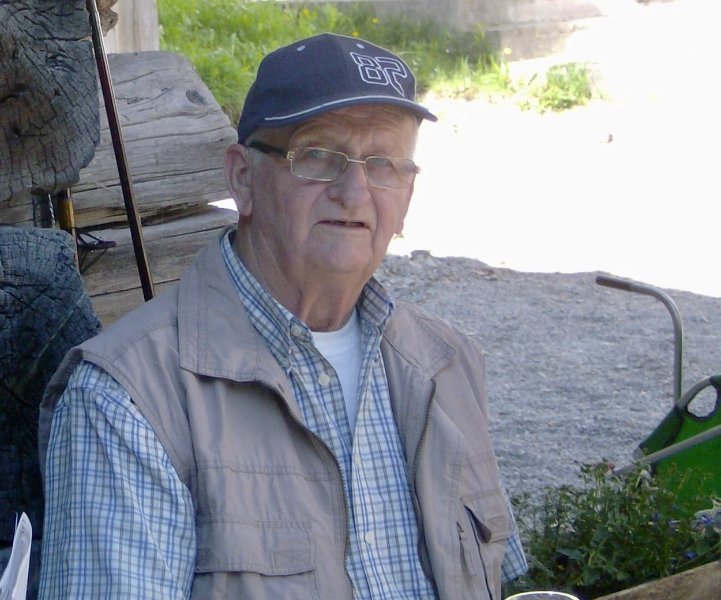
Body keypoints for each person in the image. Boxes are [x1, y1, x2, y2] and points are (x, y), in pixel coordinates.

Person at [38, 32, 527, 599]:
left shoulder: (448, 363)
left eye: (383, 163)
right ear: (243, 178)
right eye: (318, 155)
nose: (354, 192)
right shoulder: (127, 399)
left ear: (408, 192)